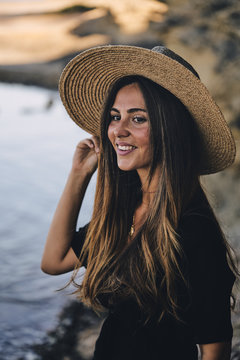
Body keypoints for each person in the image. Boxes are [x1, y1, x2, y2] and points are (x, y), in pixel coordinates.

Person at [41, 45, 238, 360]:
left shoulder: (194, 230)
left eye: (138, 119)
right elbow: (54, 261)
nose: (118, 130)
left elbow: (215, 348)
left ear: (169, 130)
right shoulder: (125, 213)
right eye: (115, 117)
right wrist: (79, 175)